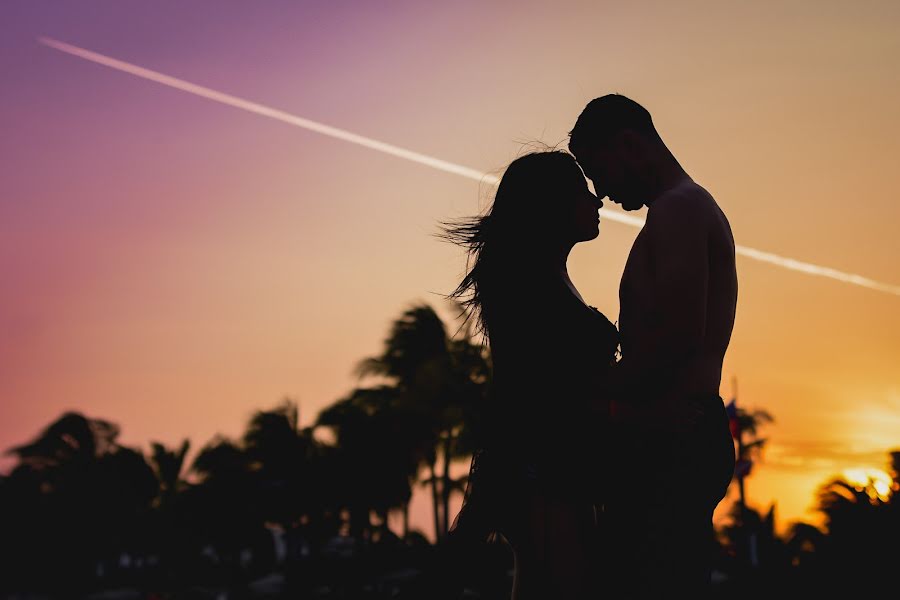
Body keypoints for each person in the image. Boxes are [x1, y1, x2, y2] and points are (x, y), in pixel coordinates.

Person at [569, 94, 738, 597]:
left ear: (629, 145)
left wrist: (592, 396)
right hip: (675, 433)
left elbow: (678, 337)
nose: (600, 190)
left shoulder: (680, 210)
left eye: (597, 170)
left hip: (673, 439)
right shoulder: (679, 210)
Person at [439, 150, 619, 599]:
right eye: (582, 191)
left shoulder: (543, 281)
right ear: (552, 205)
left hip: (550, 473)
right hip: (544, 474)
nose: (596, 200)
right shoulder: (533, 290)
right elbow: (553, 389)